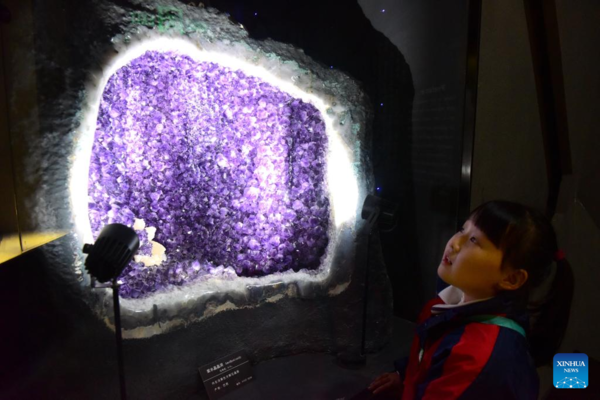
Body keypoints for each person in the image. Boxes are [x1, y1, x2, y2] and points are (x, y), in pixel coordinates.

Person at [368, 200, 574, 399]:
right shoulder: (456, 301)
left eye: (474, 240)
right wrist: (406, 375)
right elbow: (434, 351)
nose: (454, 243)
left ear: (511, 278)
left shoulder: (479, 358)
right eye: (462, 230)